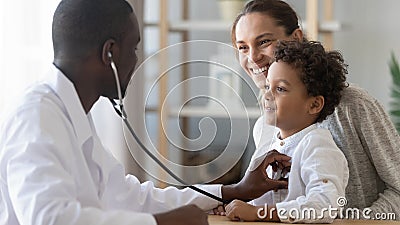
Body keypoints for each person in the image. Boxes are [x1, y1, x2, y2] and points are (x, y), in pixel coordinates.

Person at [0, 0, 293, 225]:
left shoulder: (73, 114)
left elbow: (133, 197)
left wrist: (234, 190)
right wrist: (160, 222)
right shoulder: (37, 115)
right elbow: (50, 219)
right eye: (135, 49)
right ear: (110, 54)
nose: (137, 61)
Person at [230, 0, 400, 220]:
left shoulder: (352, 104)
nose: (252, 57)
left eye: (264, 41)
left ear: (297, 38)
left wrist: (357, 222)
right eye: (242, 47)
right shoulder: (266, 125)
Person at [225, 40, 349, 223]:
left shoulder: (317, 146)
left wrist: (259, 212)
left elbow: (325, 205)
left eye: (280, 89)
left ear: (314, 104)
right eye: (267, 86)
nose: (267, 95)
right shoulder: (268, 141)